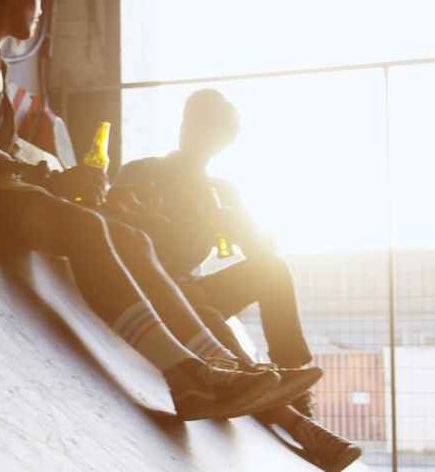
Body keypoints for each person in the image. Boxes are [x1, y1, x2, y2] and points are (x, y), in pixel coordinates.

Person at [0, 0, 316, 421]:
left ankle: (216, 367)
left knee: (128, 238)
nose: (40, 9)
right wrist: (52, 182)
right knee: (85, 228)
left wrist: (81, 192)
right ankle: (188, 377)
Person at [109, 89, 361, 470]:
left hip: (193, 288)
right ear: (183, 126)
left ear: (222, 143)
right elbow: (114, 238)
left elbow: (262, 252)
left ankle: (298, 396)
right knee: (207, 315)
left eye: (211, 134)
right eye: (195, 126)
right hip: (150, 289)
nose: (199, 139)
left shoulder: (221, 192)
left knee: (272, 269)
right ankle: (290, 417)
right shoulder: (143, 173)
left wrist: (244, 229)